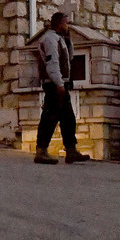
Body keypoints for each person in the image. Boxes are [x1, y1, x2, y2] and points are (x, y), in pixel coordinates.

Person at [32, 12, 91, 165]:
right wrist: (59, 83)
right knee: (51, 116)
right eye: (66, 23)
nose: (67, 26)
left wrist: (69, 39)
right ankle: (42, 150)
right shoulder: (50, 39)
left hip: (59, 83)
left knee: (67, 117)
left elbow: (69, 58)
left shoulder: (60, 39)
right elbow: (52, 63)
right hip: (54, 84)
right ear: (59, 23)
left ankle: (70, 150)